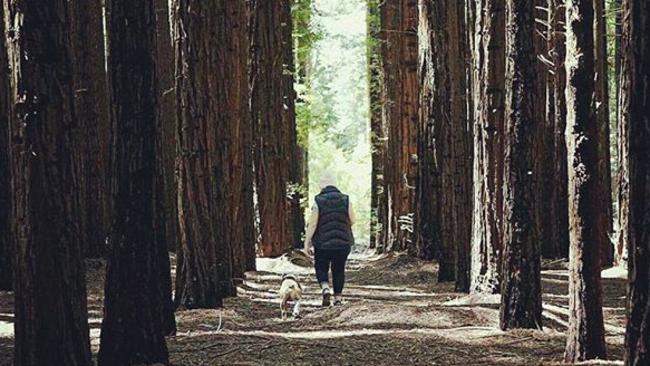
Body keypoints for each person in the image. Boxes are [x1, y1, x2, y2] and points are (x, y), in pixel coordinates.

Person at [303, 172, 356, 307]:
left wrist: (307, 242)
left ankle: (325, 288)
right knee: (339, 269)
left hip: (322, 243)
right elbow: (353, 220)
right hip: (343, 243)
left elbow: (313, 223)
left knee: (321, 266)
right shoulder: (346, 199)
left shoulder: (318, 201)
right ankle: (338, 298)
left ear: (321, 185)